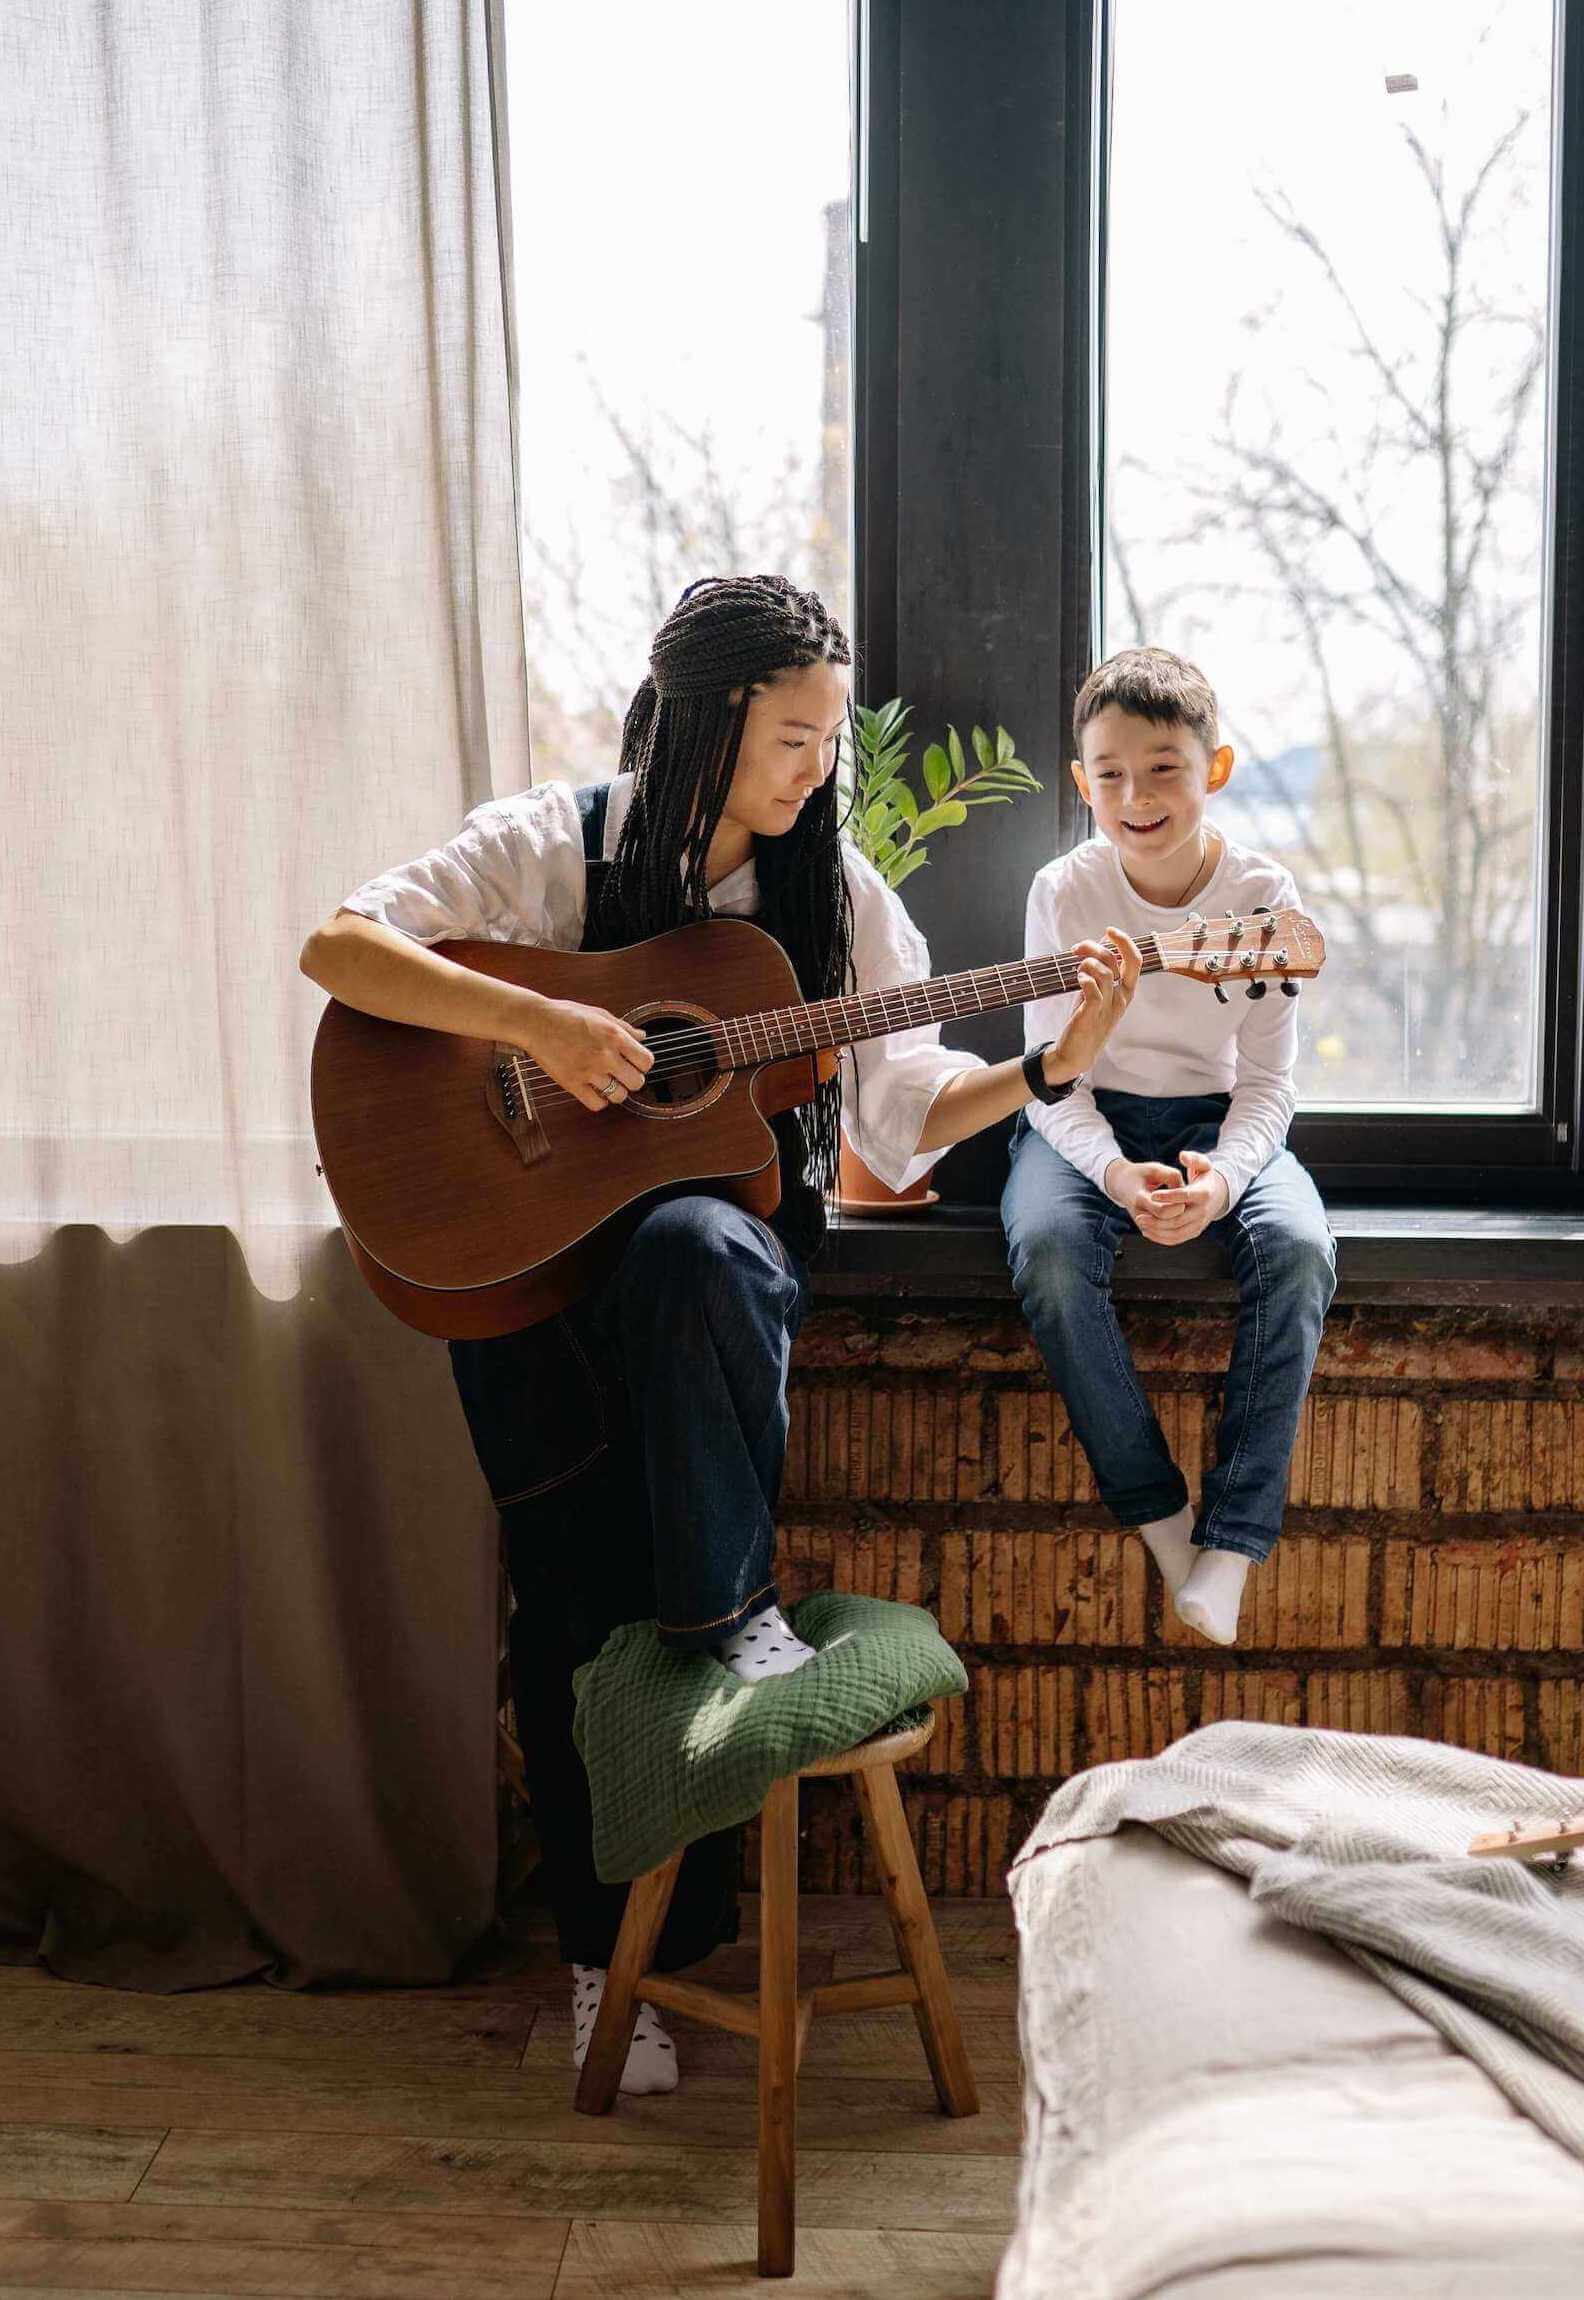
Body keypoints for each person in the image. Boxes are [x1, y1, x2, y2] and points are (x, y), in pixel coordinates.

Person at [300, 574, 1139, 2093]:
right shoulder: (557, 842)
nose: (818, 768)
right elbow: (342, 950)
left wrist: (1050, 1062)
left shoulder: (834, 904)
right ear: (701, 722)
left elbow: (906, 1110)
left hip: (708, 1307)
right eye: (791, 738)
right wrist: (542, 1027)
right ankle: (593, 1962)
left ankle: (715, 1646)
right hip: (531, 1288)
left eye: (829, 740)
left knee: (699, 1239)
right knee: (565, 1612)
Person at [1001, 645, 1336, 1650]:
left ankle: (1232, 1542)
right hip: (1082, 1124)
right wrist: (1110, 1169)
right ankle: (1161, 1520)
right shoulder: (1064, 891)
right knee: (1051, 1254)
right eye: (1109, 773)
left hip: (1219, 1122)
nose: (1135, 795)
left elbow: (1272, 1082)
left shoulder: (1260, 891)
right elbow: (1049, 1075)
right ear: (1081, 781)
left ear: (1215, 770)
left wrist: (1227, 1177)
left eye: (1163, 768)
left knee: (1302, 1248)